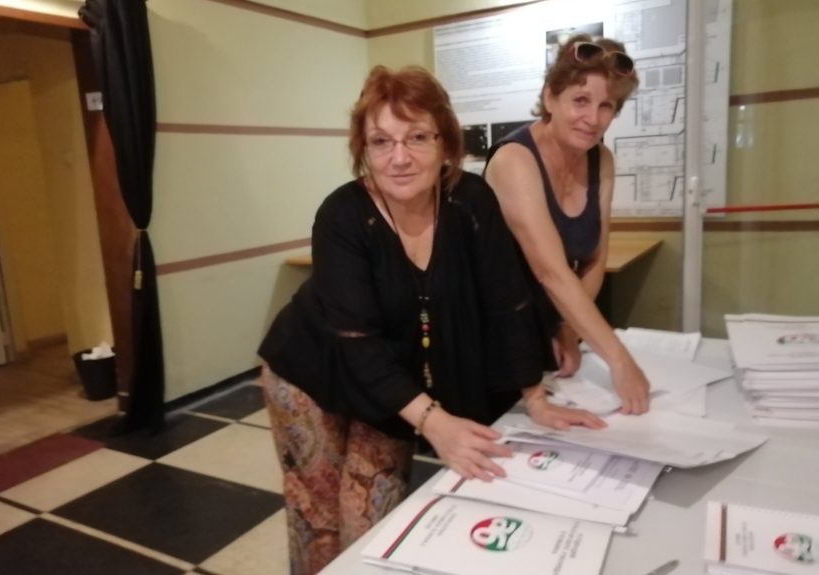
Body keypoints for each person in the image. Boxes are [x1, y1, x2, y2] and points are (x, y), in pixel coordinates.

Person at [257, 64, 603, 575]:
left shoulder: (470, 201)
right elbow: (356, 342)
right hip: (311, 368)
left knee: (373, 519)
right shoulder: (342, 215)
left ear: (445, 142)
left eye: (417, 137)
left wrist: (533, 396)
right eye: (381, 141)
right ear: (363, 149)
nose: (399, 157)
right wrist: (433, 420)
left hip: (384, 379)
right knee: (320, 513)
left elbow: (507, 303)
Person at [484, 34, 650, 414]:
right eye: (580, 100)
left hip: (551, 332)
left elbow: (593, 259)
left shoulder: (601, 160)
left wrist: (569, 329)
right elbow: (551, 271)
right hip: (499, 339)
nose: (593, 119)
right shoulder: (514, 160)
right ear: (550, 98)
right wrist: (619, 360)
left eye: (606, 106)